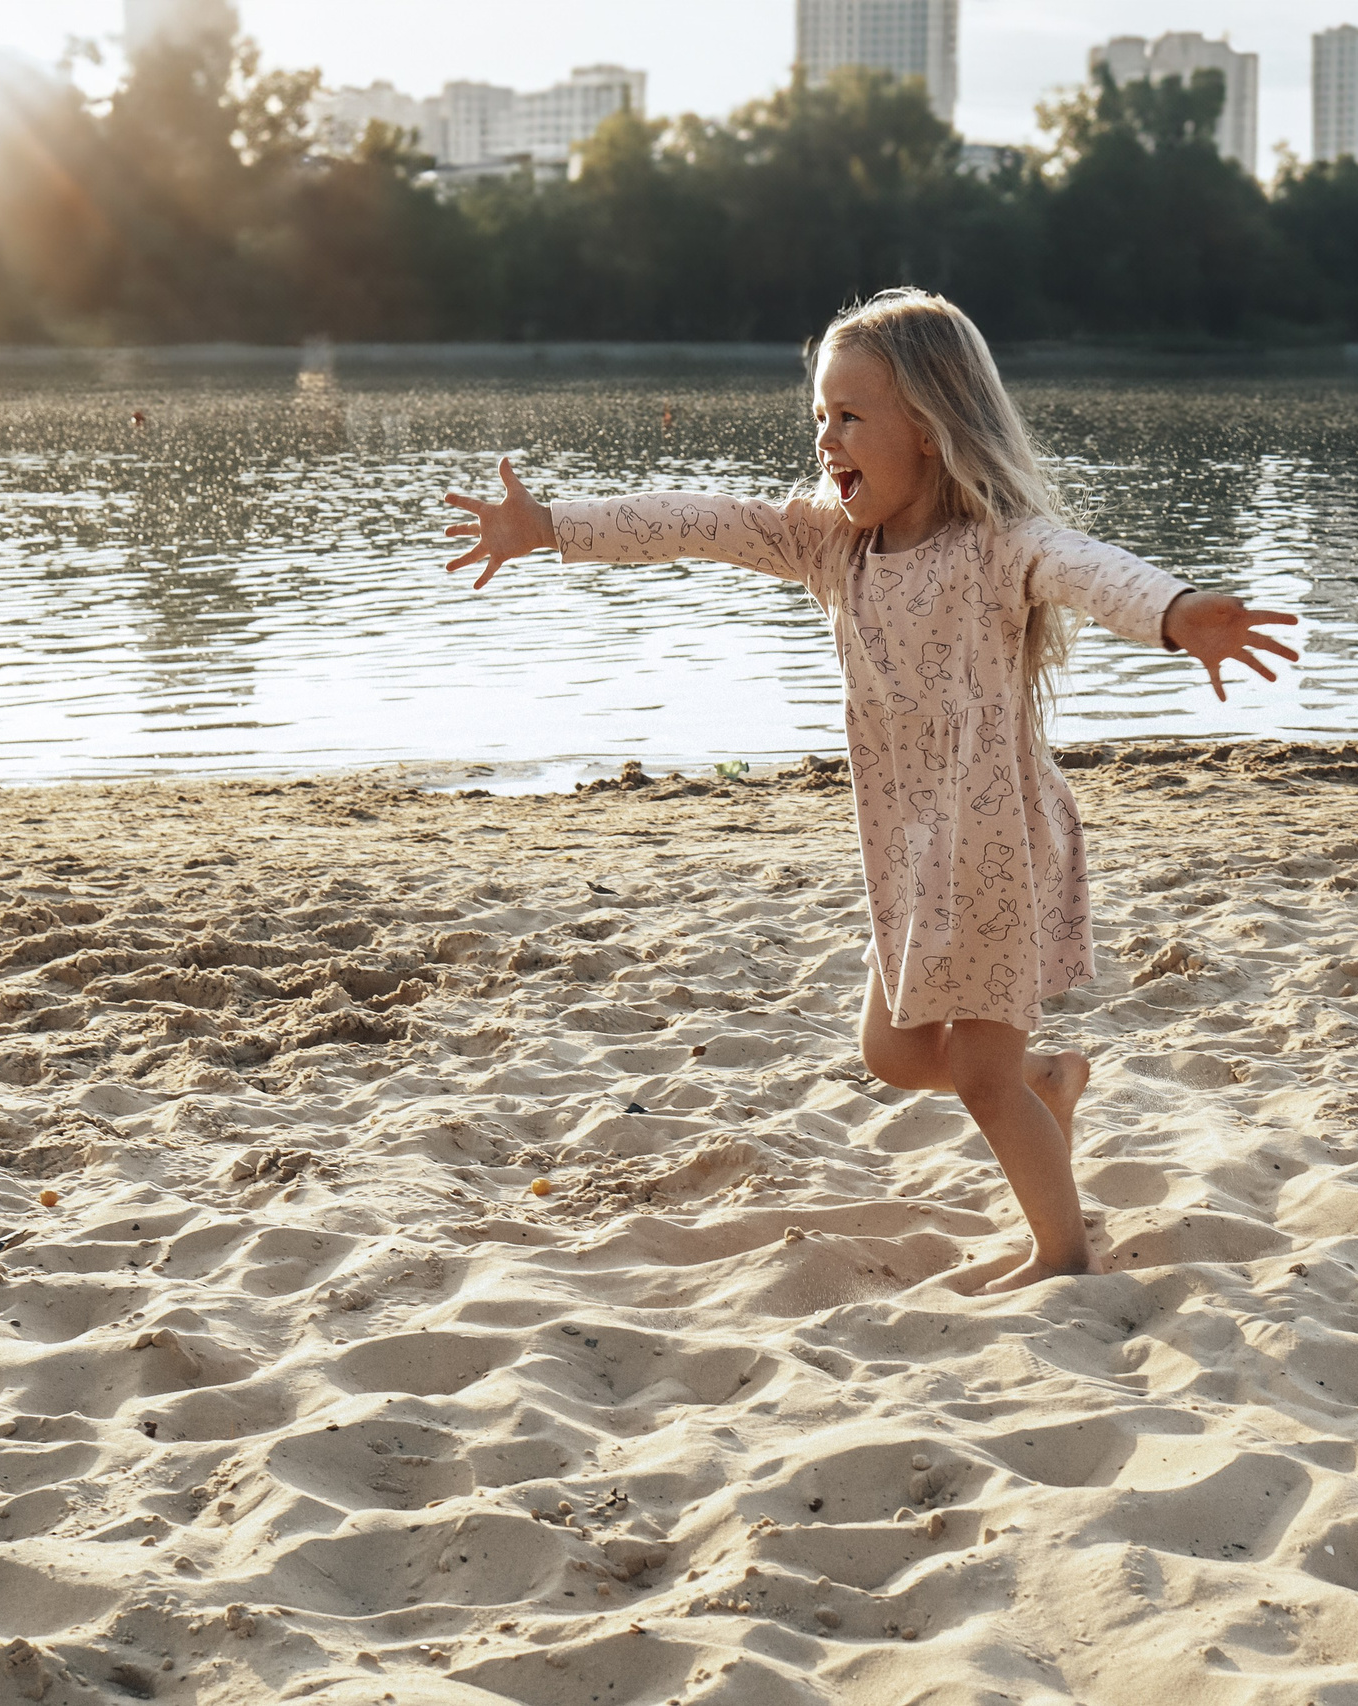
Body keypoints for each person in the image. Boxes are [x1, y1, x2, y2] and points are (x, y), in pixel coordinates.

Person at [438, 288, 1300, 1291]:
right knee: (892, 1049)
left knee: (974, 1071)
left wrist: (1175, 608)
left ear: (929, 430)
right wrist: (550, 524)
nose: (825, 438)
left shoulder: (996, 547)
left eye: (850, 416)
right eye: (818, 416)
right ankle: (1047, 1082)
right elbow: (702, 520)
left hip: (991, 839)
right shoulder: (832, 548)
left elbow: (1083, 566)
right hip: (907, 845)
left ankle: (1063, 1254)